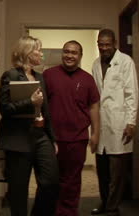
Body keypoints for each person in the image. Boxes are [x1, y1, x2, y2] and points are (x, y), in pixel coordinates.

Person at [0, 35, 59, 216]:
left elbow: (46, 111)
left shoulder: (40, 76)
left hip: (40, 136)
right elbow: (5, 108)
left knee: (51, 182)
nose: (41, 54)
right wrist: (30, 101)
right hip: (18, 139)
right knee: (18, 190)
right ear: (27, 52)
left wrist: (52, 138)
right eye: (38, 50)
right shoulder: (11, 75)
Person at [43, 40, 100, 216]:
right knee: (50, 180)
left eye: (74, 53)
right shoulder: (48, 75)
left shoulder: (87, 79)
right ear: (62, 53)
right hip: (52, 139)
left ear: (80, 56)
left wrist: (96, 134)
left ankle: (68, 213)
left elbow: (94, 107)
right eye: (66, 51)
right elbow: (40, 104)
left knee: (72, 181)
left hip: (77, 139)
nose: (69, 55)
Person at [91, 29, 139, 216]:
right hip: (100, 123)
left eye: (107, 44)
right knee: (102, 169)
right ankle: (105, 203)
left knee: (117, 171)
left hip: (119, 122)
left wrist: (131, 123)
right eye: (100, 44)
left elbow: (131, 93)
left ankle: (113, 208)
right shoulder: (96, 64)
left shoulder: (125, 61)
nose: (104, 48)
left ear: (115, 43)